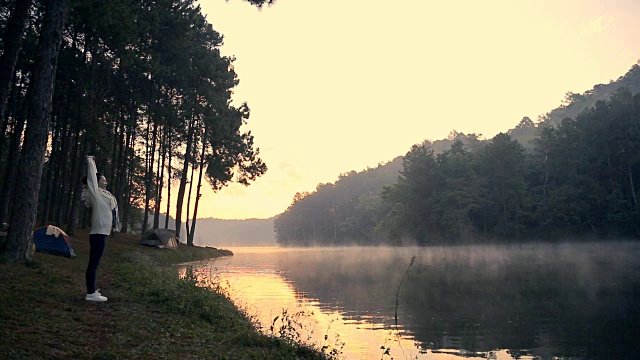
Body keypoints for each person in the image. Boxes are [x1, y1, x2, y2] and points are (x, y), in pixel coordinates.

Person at [82, 156, 120, 302]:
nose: (106, 182)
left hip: (102, 234)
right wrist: (91, 162)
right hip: (98, 234)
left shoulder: (105, 195)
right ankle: (90, 293)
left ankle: (91, 290)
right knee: (94, 263)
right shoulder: (96, 194)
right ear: (97, 182)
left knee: (94, 263)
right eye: (103, 180)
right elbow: (92, 176)